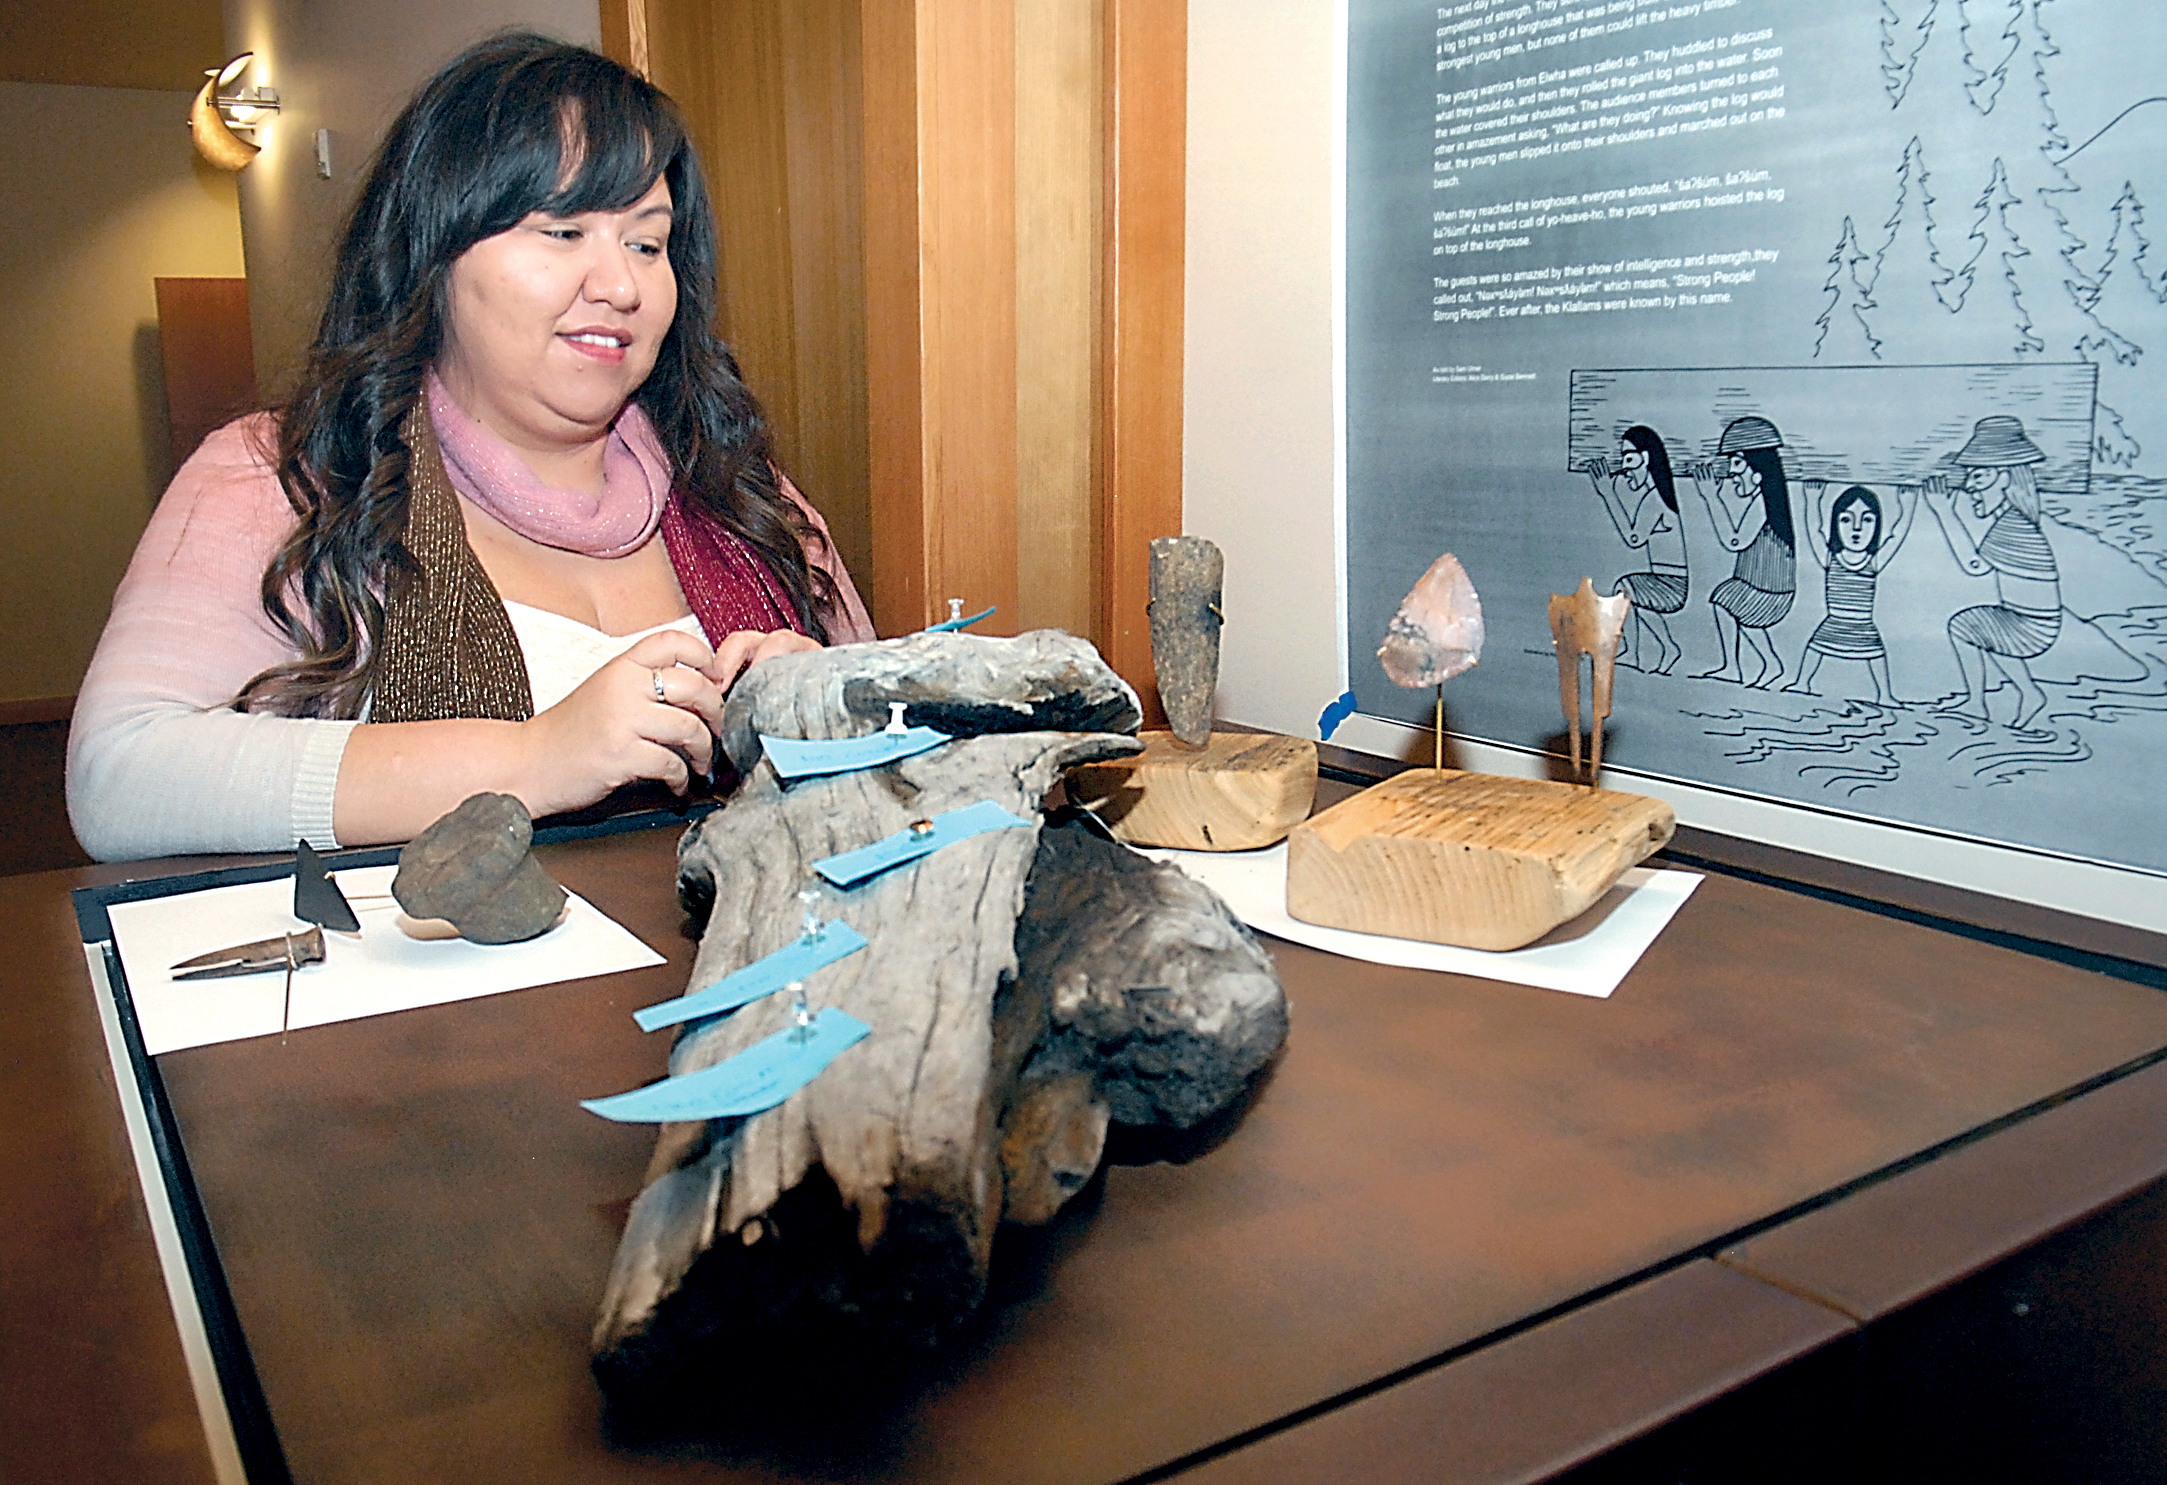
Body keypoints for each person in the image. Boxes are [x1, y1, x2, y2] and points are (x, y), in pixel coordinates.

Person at [68, 35, 873, 861]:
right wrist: (535, 757)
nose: (621, 286)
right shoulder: (286, 476)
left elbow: (906, 755)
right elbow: (119, 776)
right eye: (562, 231)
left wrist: (821, 702)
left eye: (645, 243)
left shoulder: (743, 489)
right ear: (433, 251)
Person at [1920, 415, 2061, 729]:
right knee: (1984, 625)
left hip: (2033, 626)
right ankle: (2028, 693)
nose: (1970, 487)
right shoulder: (2014, 521)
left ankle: (1977, 702)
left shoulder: (2013, 526)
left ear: (2005, 478)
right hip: (2028, 620)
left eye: (1979, 477)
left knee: (1965, 626)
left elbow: (1974, 566)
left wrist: (1944, 511)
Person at [1689, 414, 1797, 687]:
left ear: (1758, 467)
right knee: (1741, 613)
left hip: (1768, 593)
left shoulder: (1764, 503)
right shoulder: (1765, 501)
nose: (1732, 472)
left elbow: (1734, 541)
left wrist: (1711, 497)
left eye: (1737, 462)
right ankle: (1772, 665)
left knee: (1724, 599)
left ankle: (1732, 667)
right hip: (1760, 588)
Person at [1783, 483, 1913, 703]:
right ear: (1835, 523)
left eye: (1867, 520)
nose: (1857, 528)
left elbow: (1896, 537)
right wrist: (1812, 499)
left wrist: (1908, 507)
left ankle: (1885, 695)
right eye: (1846, 519)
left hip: (1862, 624)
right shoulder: (1831, 558)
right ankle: (1802, 683)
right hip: (1834, 622)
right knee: (1815, 648)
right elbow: (1814, 531)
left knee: (1876, 655)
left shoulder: (1873, 561)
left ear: (1877, 525)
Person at [1583, 425, 1689, 674]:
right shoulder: (1655, 496)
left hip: (1673, 584)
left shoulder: (1656, 498)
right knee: (1635, 592)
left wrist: (1607, 492)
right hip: (1666, 580)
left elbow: (1633, 538)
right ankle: (1664, 648)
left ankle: (1637, 649)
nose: (1624, 468)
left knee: (1626, 587)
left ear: (1647, 458)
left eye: (1629, 458)